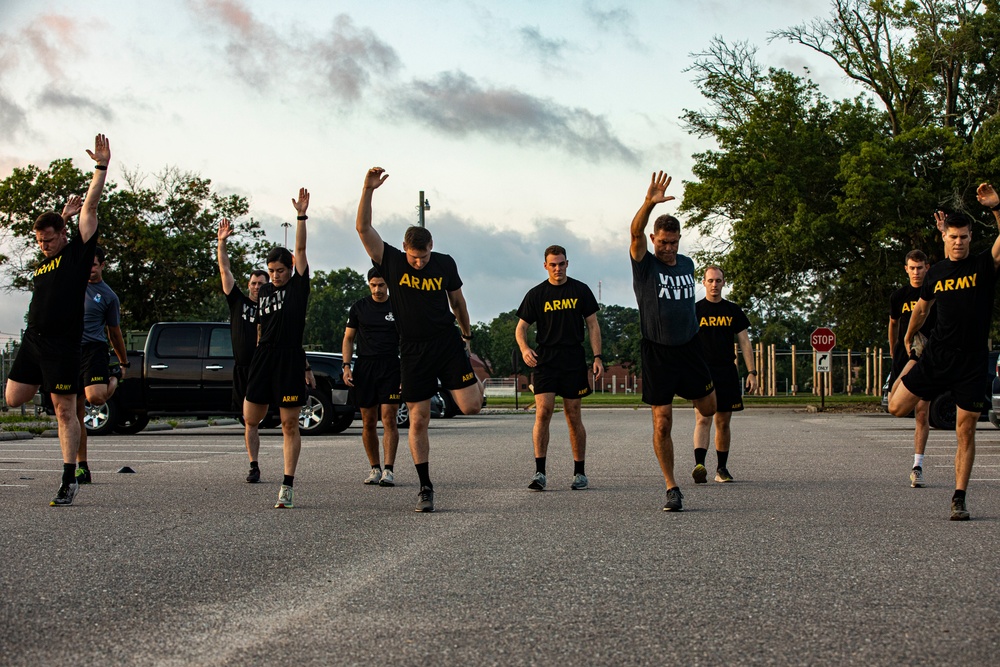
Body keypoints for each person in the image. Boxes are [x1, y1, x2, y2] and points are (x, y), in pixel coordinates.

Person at [356, 166, 484, 513]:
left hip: (446, 341)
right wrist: (368, 190)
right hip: (412, 349)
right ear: (404, 249)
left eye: (424, 256)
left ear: (432, 249)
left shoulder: (444, 264)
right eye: (414, 257)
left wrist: (467, 336)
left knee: (471, 406)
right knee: (418, 418)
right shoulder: (392, 262)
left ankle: (478, 382)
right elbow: (363, 228)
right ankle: (425, 486)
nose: (418, 262)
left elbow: (458, 302)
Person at [4, 134, 110, 506]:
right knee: (13, 397)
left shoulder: (79, 251)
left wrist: (100, 168)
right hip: (34, 340)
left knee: (65, 410)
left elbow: (92, 205)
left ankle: (70, 477)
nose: (42, 246)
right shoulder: (46, 256)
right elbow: (55, 229)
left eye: (48, 240)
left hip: (63, 345)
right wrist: (60, 216)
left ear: (64, 236)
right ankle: (47, 388)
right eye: (39, 241)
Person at [889, 185, 1000, 521]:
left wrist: (997, 208)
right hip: (937, 356)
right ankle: (925, 388)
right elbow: (922, 310)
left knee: (965, 431)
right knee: (896, 408)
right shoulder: (935, 273)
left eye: (964, 237)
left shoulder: (984, 265)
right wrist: (908, 337)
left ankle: (959, 497)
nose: (959, 242)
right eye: (953, 236)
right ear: (944, 238)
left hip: (971, 361)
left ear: (969, 237)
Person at [629, 171, 717, 512]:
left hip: (691, 347)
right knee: (662, 420)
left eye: (674, 242)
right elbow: (634, 231)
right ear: (653, 239)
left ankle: (693, 398)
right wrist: (649, 202)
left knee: (708, 408)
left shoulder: (687, 264)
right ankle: (671, 486)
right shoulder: (645, 266)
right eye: (662, 242)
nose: (668, 248)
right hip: (657, 351)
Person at [243, 189, 314, 509]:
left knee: (289, 423)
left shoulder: (298, 285)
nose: (275, 276)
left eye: (280, 271)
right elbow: (259, 324)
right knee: (250, 418)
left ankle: (287, 485)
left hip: (288, 357)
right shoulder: (266, 291)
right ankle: (254, 464)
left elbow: (299, 247)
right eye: (271, 271)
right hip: (264, 356)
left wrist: (301, 216)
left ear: (291, 268)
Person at [516, 245, 603, 491]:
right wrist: (525, 349)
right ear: (545, 266)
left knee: (573, 415)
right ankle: (539, 472)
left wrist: (597, 357)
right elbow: (520, 328)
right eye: (553, 264)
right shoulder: (536, 294)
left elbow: (593, 325)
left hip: (573, 359)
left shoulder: (580, 290)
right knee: (542, 412)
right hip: (546, 360)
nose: (558, 268)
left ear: (567, 263)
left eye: (561, 263)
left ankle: (579, 473)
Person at [217, 218, 270, 483]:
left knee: (283, 417)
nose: (257, 287)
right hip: (243, 368)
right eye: (253, 283)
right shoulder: (238, 302)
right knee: (249, 422)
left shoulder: (274, 308)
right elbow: (225, 269)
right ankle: (254, 465)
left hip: (266, 368)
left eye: (261, 283)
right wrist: (222, 242)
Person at [693, 265, 757, 484]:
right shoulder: (695, 310)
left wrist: (752, 372)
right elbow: (684, 342)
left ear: (723, 283)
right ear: (703, 282)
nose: (714, 285)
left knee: (723, 421)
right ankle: (699, 466)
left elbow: (745, 341)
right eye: (710, 281)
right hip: (703, 372)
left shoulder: (732, 310)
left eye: (718, 281)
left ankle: (721, 469)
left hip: (726, 371)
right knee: (703, 418)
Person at [74, 244, 129, 485]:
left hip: (94, 350)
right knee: (75, 415)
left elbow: (114, 332)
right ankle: (81, 466)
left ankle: (113, 378)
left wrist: (122, 361)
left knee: (95, 398)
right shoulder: (71, 285)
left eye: (94, 265)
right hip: (69, 351)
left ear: (102, 265)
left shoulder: (108, 296)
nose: (90, 270)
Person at [342, 267, 401, 487]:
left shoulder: (397, 306)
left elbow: (407, 340)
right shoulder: (359, 307)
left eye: (382, 285)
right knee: (368, 421)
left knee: (389, 418)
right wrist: (346, 366)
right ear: (369, 284)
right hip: (365, 366)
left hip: (390, 366)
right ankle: (374, 468)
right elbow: (348, 338)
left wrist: (406, 371)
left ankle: (389, 470)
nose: (377, 289)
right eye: (374, 285)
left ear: (388, 285)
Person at [888, 250, 936, 488]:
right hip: (903, 354)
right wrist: (894, 350)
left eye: (920, 267)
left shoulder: (934, 291)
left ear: (927, 267)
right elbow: (893, 323)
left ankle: (917, 466)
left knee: (921, 412)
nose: (916, 272)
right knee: (893, 402)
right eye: (912, 268)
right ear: (905, 269)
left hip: (925, 355)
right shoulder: (899, 296)